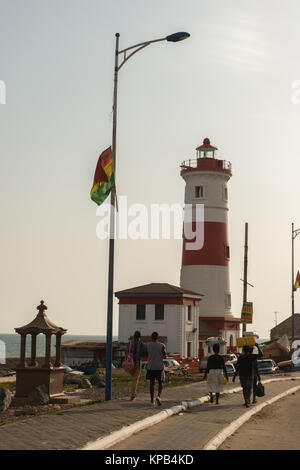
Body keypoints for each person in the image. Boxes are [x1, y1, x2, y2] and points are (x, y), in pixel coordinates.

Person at [233, 342, 263, 407]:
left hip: (242, 375)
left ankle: (246, 400)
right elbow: (261, 355)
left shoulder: (241, 357)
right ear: (250, 350)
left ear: (243, 350)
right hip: (250, 375)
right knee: (249, 388)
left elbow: (238, 367)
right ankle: (248, 399)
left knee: (244, 388)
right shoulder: (252, 357)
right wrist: (257, 346)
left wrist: (234, 376)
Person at [146, 332, 167, 406]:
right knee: (160, 383)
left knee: (152, 384)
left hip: (150, 367)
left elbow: (146, 354)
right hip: (159, 367)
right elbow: (165, 356)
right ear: (158, 337)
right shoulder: (162, 345)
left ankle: (151, 401)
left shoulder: (148, 345)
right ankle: (158, 396)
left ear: (151, 337)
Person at [129, 331, 146, 401]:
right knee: (135, 379)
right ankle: (133, 394)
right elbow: (144, 354)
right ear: (140, 336)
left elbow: (127, 351)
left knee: (133, 378)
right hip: (137, 363)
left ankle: (134, 393)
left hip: (130, 364)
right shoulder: (141, 343)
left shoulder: (130, 343)